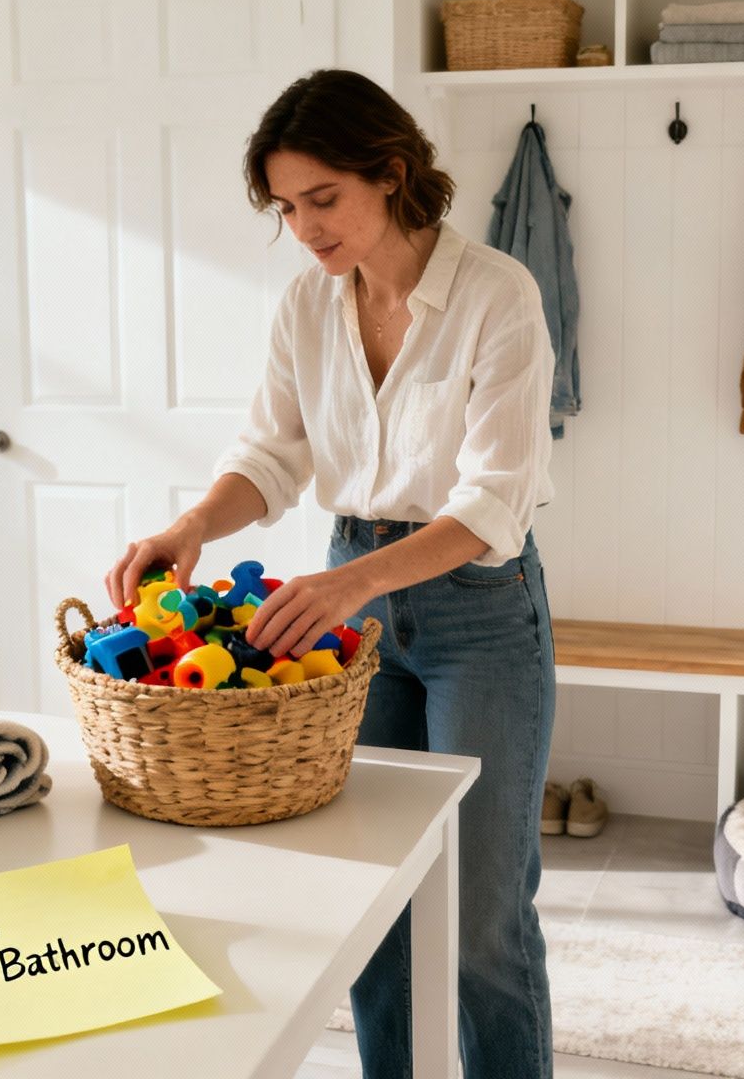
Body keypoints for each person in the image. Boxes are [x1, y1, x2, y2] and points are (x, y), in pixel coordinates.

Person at [103, 67, 558, 1079]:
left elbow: (493, 502)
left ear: (390, 174)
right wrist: (192, 526)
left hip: (477, 614)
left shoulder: (496, 295)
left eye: (322, 200)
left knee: (480, 918)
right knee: (369, 904)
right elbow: (270, 458)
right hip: (347, 602)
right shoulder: (307, 309)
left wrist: (352, 587)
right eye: (284, 208)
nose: (303, 229)